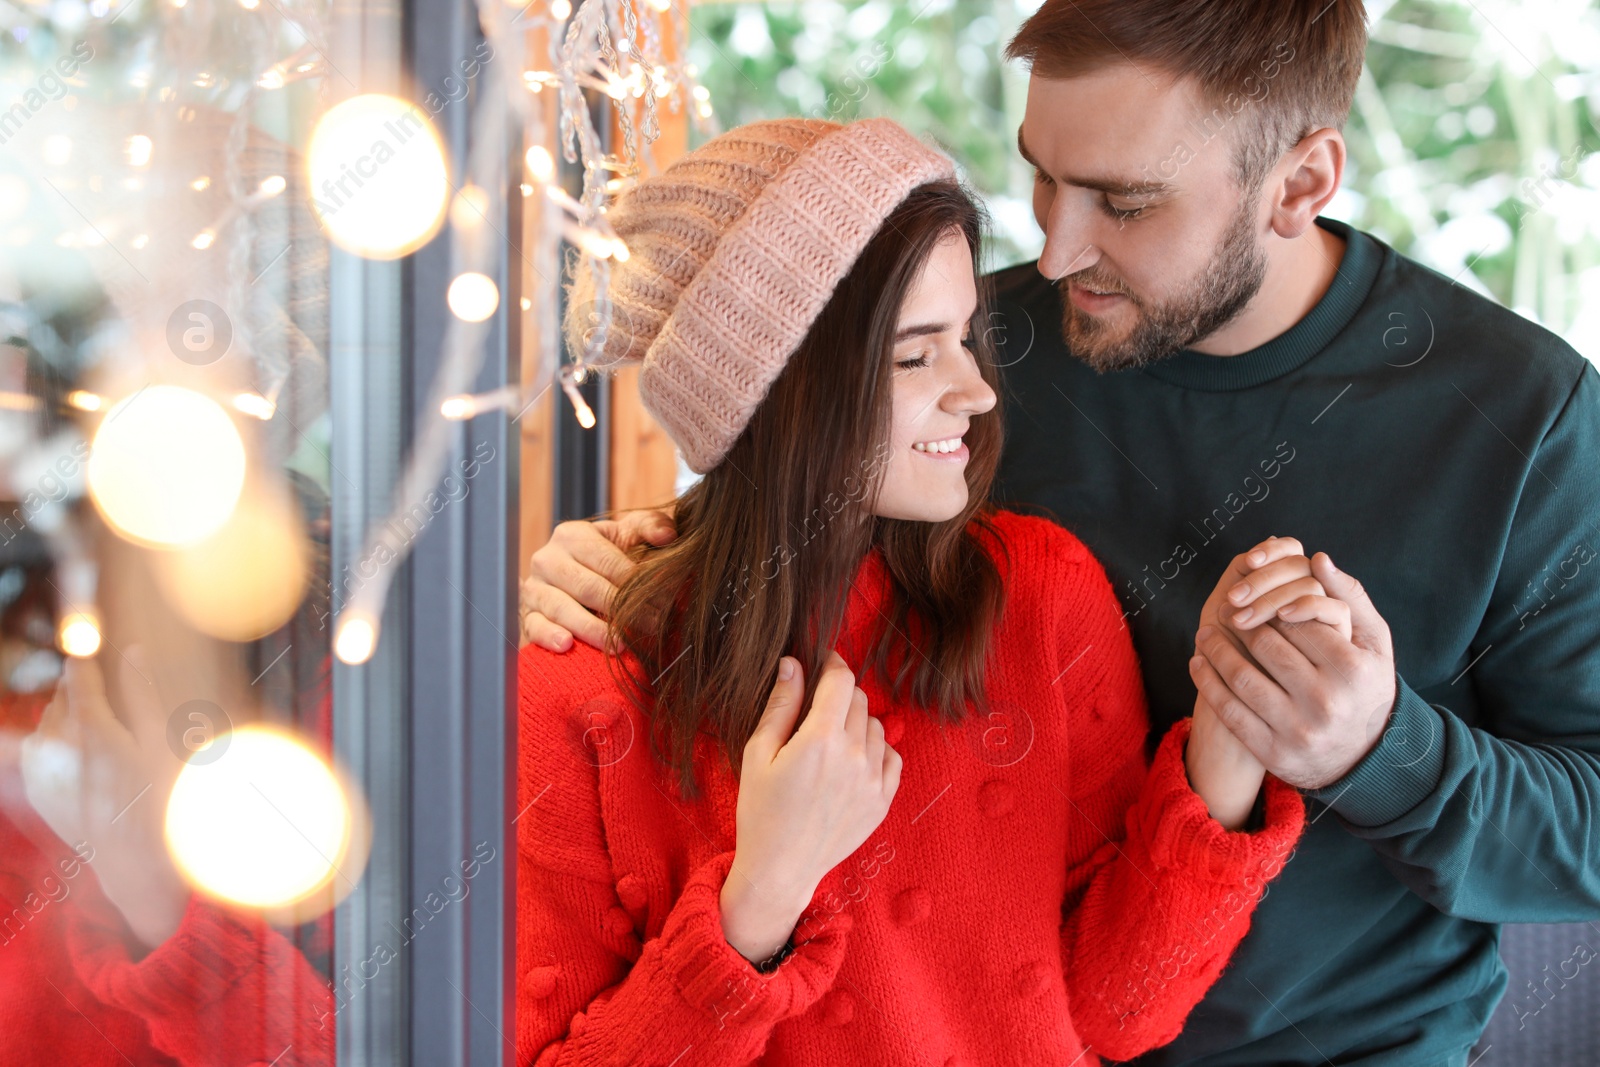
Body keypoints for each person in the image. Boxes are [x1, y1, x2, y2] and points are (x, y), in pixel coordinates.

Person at [519, 3, 1600, 1066]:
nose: (1054, 247)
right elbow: (791, 458)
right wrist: (640, 556)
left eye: (1124, 203)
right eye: (1042, 175)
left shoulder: (1521, 414)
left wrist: (1377, 748)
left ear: (1302, 183)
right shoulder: (981, 345)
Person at [516, 118, 1311, 1066]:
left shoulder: (1042, 593)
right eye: (914, 354)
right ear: (778, 390)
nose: (974, 390)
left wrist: (1226, 743)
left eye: (967, 337)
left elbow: (1117, 1011)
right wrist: (761, 896)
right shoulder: (583, 680)